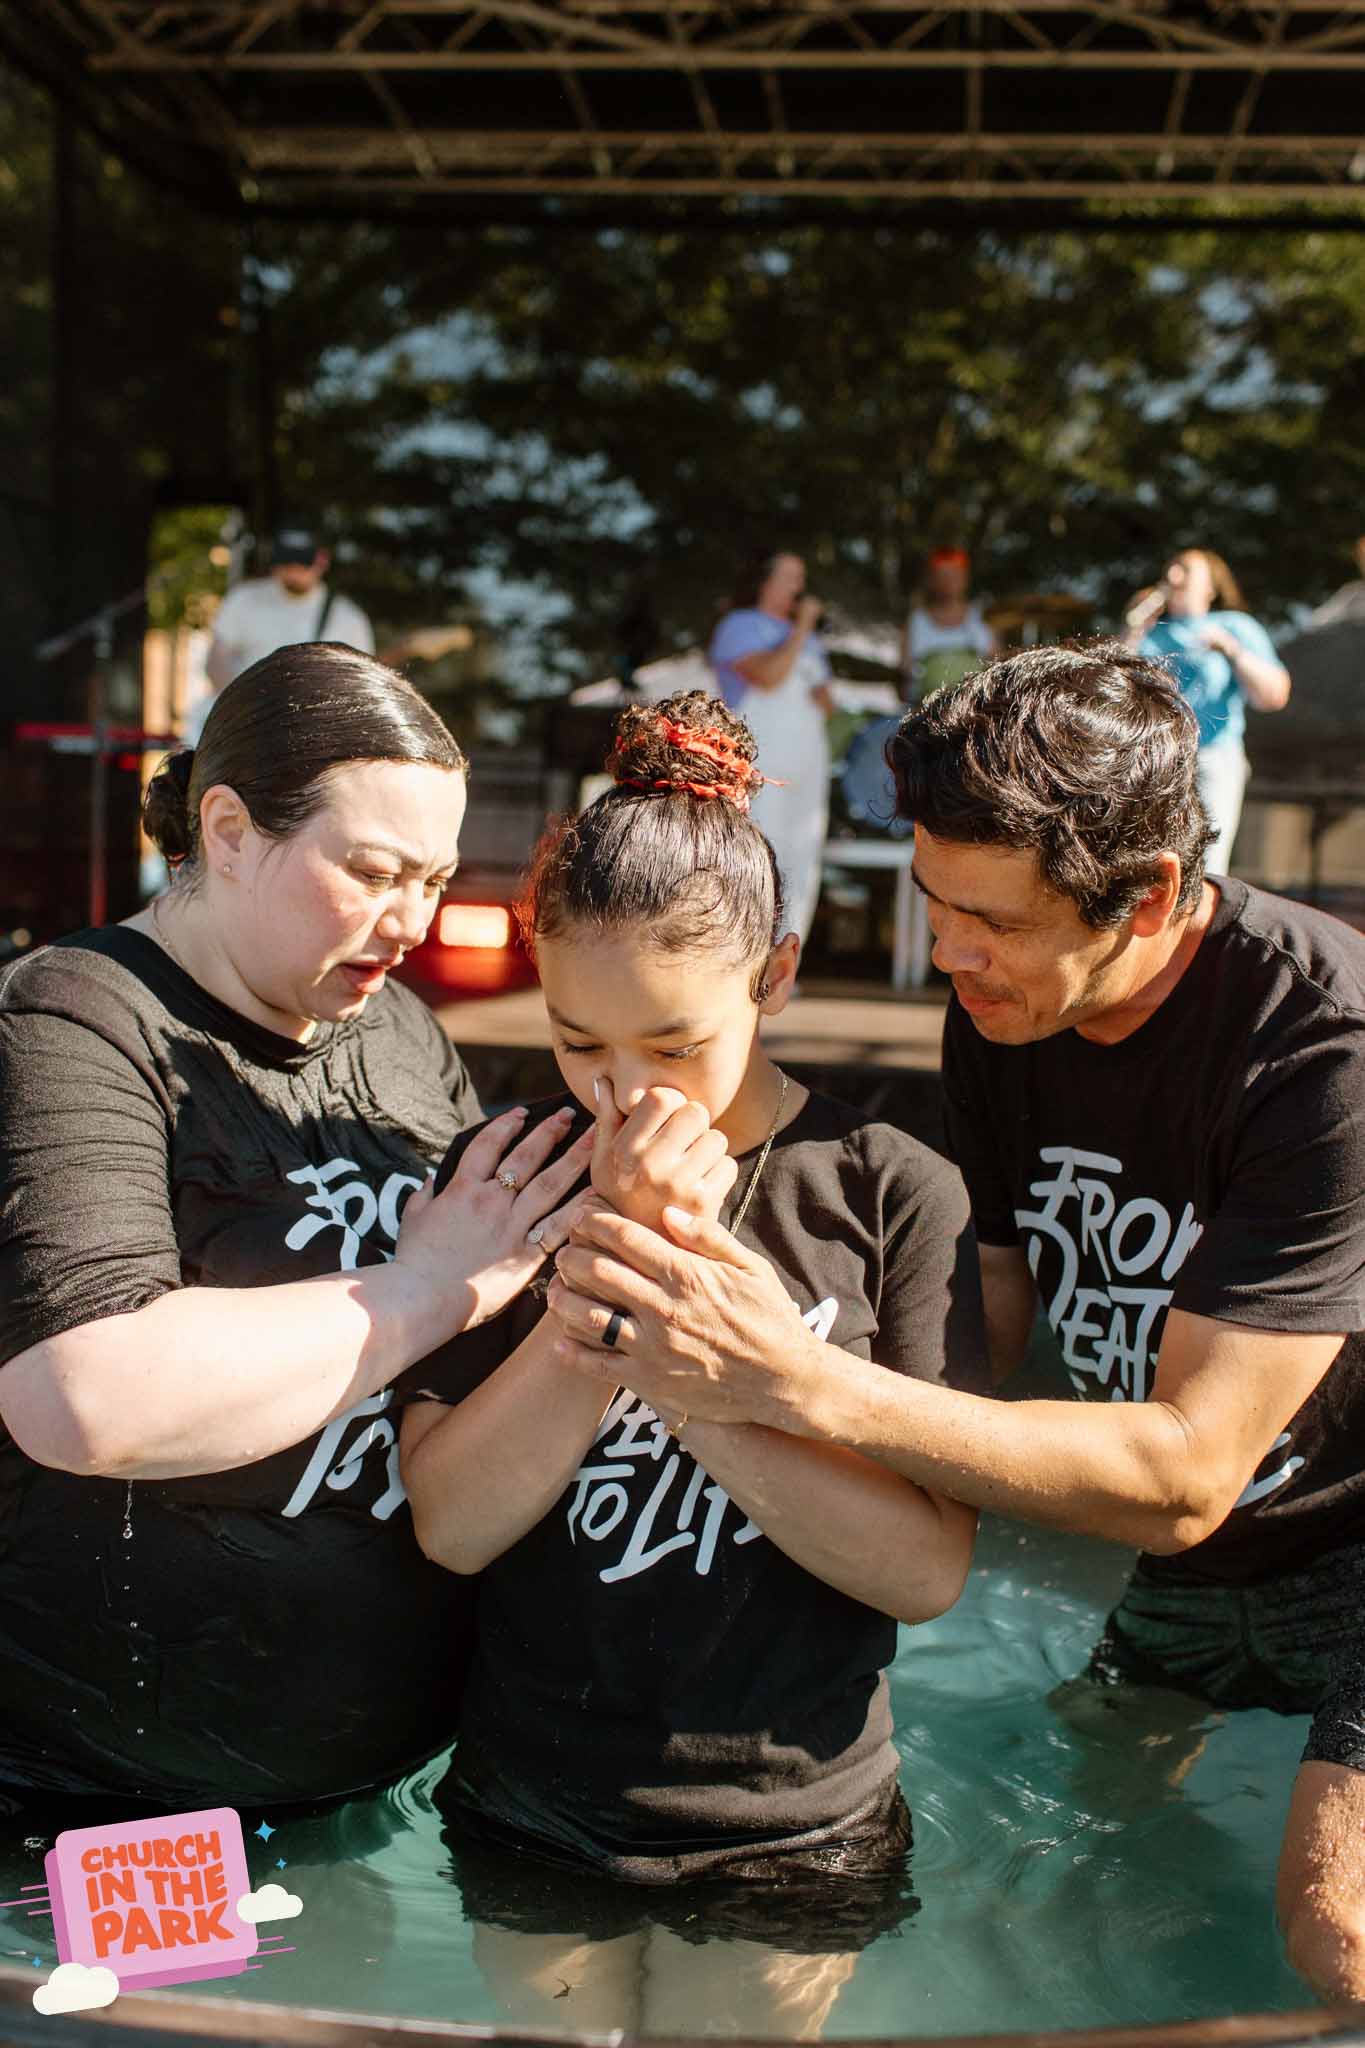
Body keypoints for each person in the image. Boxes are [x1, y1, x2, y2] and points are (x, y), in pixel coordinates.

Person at [546, 645, 1365, 2007]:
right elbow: (982, 1311)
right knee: (1085, 1853)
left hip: (1331, 1534)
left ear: (1147, 895)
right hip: (1188, 1562)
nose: (948, 953)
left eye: (991, 920)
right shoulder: (1003, 1004)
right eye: (934, 901)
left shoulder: (1324, 1049)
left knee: (1334, 1923)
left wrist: (789, 1374)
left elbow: (1185, 1476)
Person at [399, 692, 984, 2032]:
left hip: (793, 1824)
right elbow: (451, 1525)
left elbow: (924, 1570)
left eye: (673, 1044)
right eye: (576, 1041)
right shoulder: (506, 1175)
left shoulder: (890, 1188)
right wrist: (604, 1274)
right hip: (533, 1800)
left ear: (775, 975)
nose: (624, 1092)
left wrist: (693, 1338)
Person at [0, 645, 593, 1813]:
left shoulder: (400, 1031)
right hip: (95, 1795)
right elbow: (83, 1394)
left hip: (385, 1790)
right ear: (227, 830)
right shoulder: (71, 1022)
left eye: (433, 878)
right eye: (372, 871)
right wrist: (423, 1286)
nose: (411, 921)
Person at [1126, 547, 1290, 873]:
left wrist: (1232, 650)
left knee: (1207, 862)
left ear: (1211, 587)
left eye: (1185, 569)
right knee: (1148, 861)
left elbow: (1275, 695)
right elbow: (1115, 692)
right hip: (1155, 761)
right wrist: (1133, 627)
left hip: (1214, 759)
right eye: (1170, 568)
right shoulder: (1150, 632)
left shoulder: (1233, 626)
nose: (1173, 576)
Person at [708, 552, 834, 946]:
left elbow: (827, 702)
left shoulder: (811, 641)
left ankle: (787, 951)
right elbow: (769, 676)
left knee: (801, 856)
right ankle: (745, 948)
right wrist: (802, 628)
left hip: (806, 759)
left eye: (801, 578)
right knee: (759, 849)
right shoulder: (740, 626)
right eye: (790, 577)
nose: (799, 587)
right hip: (762, 759)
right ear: (764, 581)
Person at [205, 527, 375, 694]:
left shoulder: (349, 618)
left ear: (322, 561)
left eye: (302, 563)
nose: (294, 571)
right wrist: (239, 703)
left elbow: (363, 681)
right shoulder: (243, 599)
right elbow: (216, 660)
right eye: (287, 562)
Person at [900, 547, 996, 703]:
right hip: (924, 708)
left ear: (965, 578)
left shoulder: (982, 619)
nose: (948, 582)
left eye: (954, 575)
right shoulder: (916, 621)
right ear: (931, 579)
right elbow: (904, 678)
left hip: (975, 708)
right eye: (942, 576)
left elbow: (995, 668)